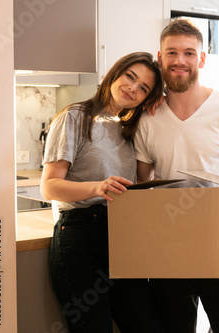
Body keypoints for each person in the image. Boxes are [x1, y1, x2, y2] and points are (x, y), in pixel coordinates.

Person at [134, 18, 219, 332]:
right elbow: (141, 185)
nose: (180, 60)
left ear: (202, 59)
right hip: (168, 249)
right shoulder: (148, 118)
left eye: (189, 53)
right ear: (160, 57)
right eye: (172, 53)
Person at [40, 52, 164, 333]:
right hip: (80, 237)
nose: (133, 88)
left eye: (144, 88)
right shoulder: (75, 117)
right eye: (130, 77)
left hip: (122, 239)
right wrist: (97, 187)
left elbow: (145, 180)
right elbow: (49, 185)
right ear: (114, 73)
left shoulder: (130, 129)